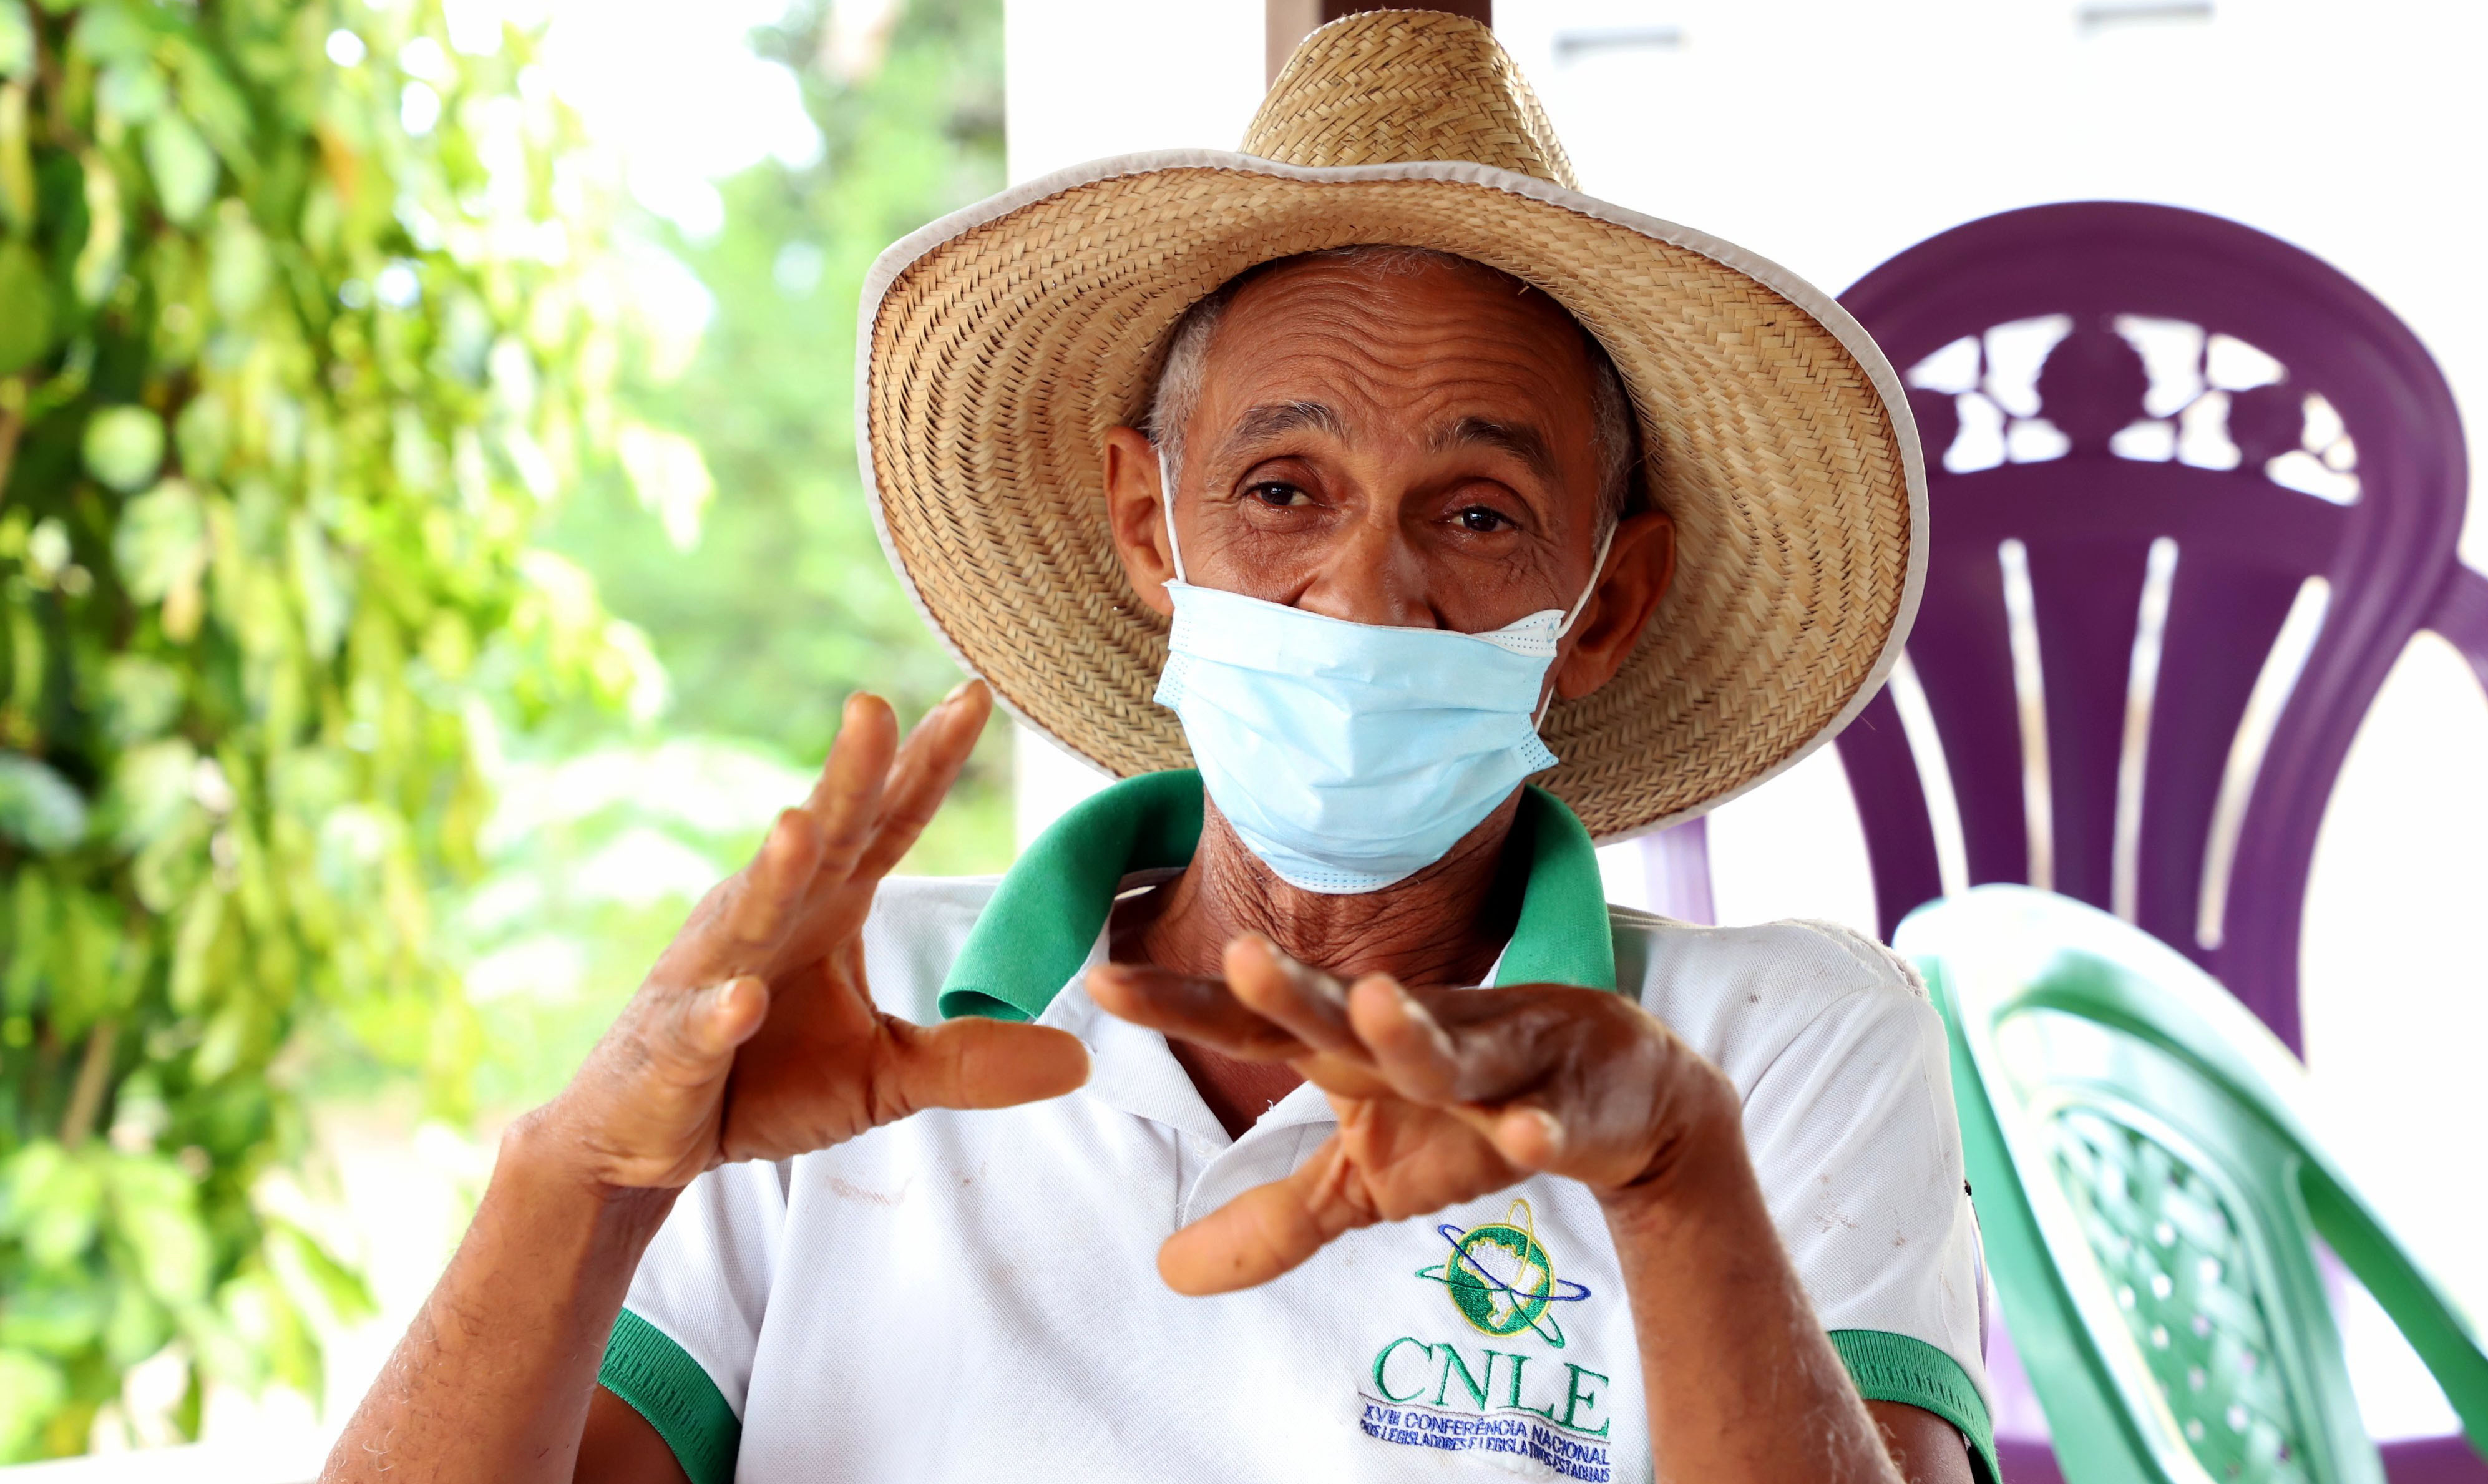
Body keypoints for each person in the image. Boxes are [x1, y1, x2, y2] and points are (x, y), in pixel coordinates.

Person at [324, 12, 1982, 1483]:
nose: (1364, 592)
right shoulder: (852, 1014)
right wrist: (586, 1178)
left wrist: (1676, 1178)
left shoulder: (1773, 1052)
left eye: (1478, 513)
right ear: (1147, 524)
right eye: (1282, 491)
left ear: (1603, 603)